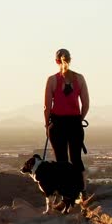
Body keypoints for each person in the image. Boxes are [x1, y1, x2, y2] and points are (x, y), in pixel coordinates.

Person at [43, 48, 89, 192]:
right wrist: (78, 120)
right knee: (76, 159)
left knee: (61, 162)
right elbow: (86, 104)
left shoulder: (52, 80)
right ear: (70, 59)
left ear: (57, 61)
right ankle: (82, 192)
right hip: (74, 123)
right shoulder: (80, 78)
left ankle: (65, 195)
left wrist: (47, 125)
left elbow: (47, 107)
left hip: (57, 124)